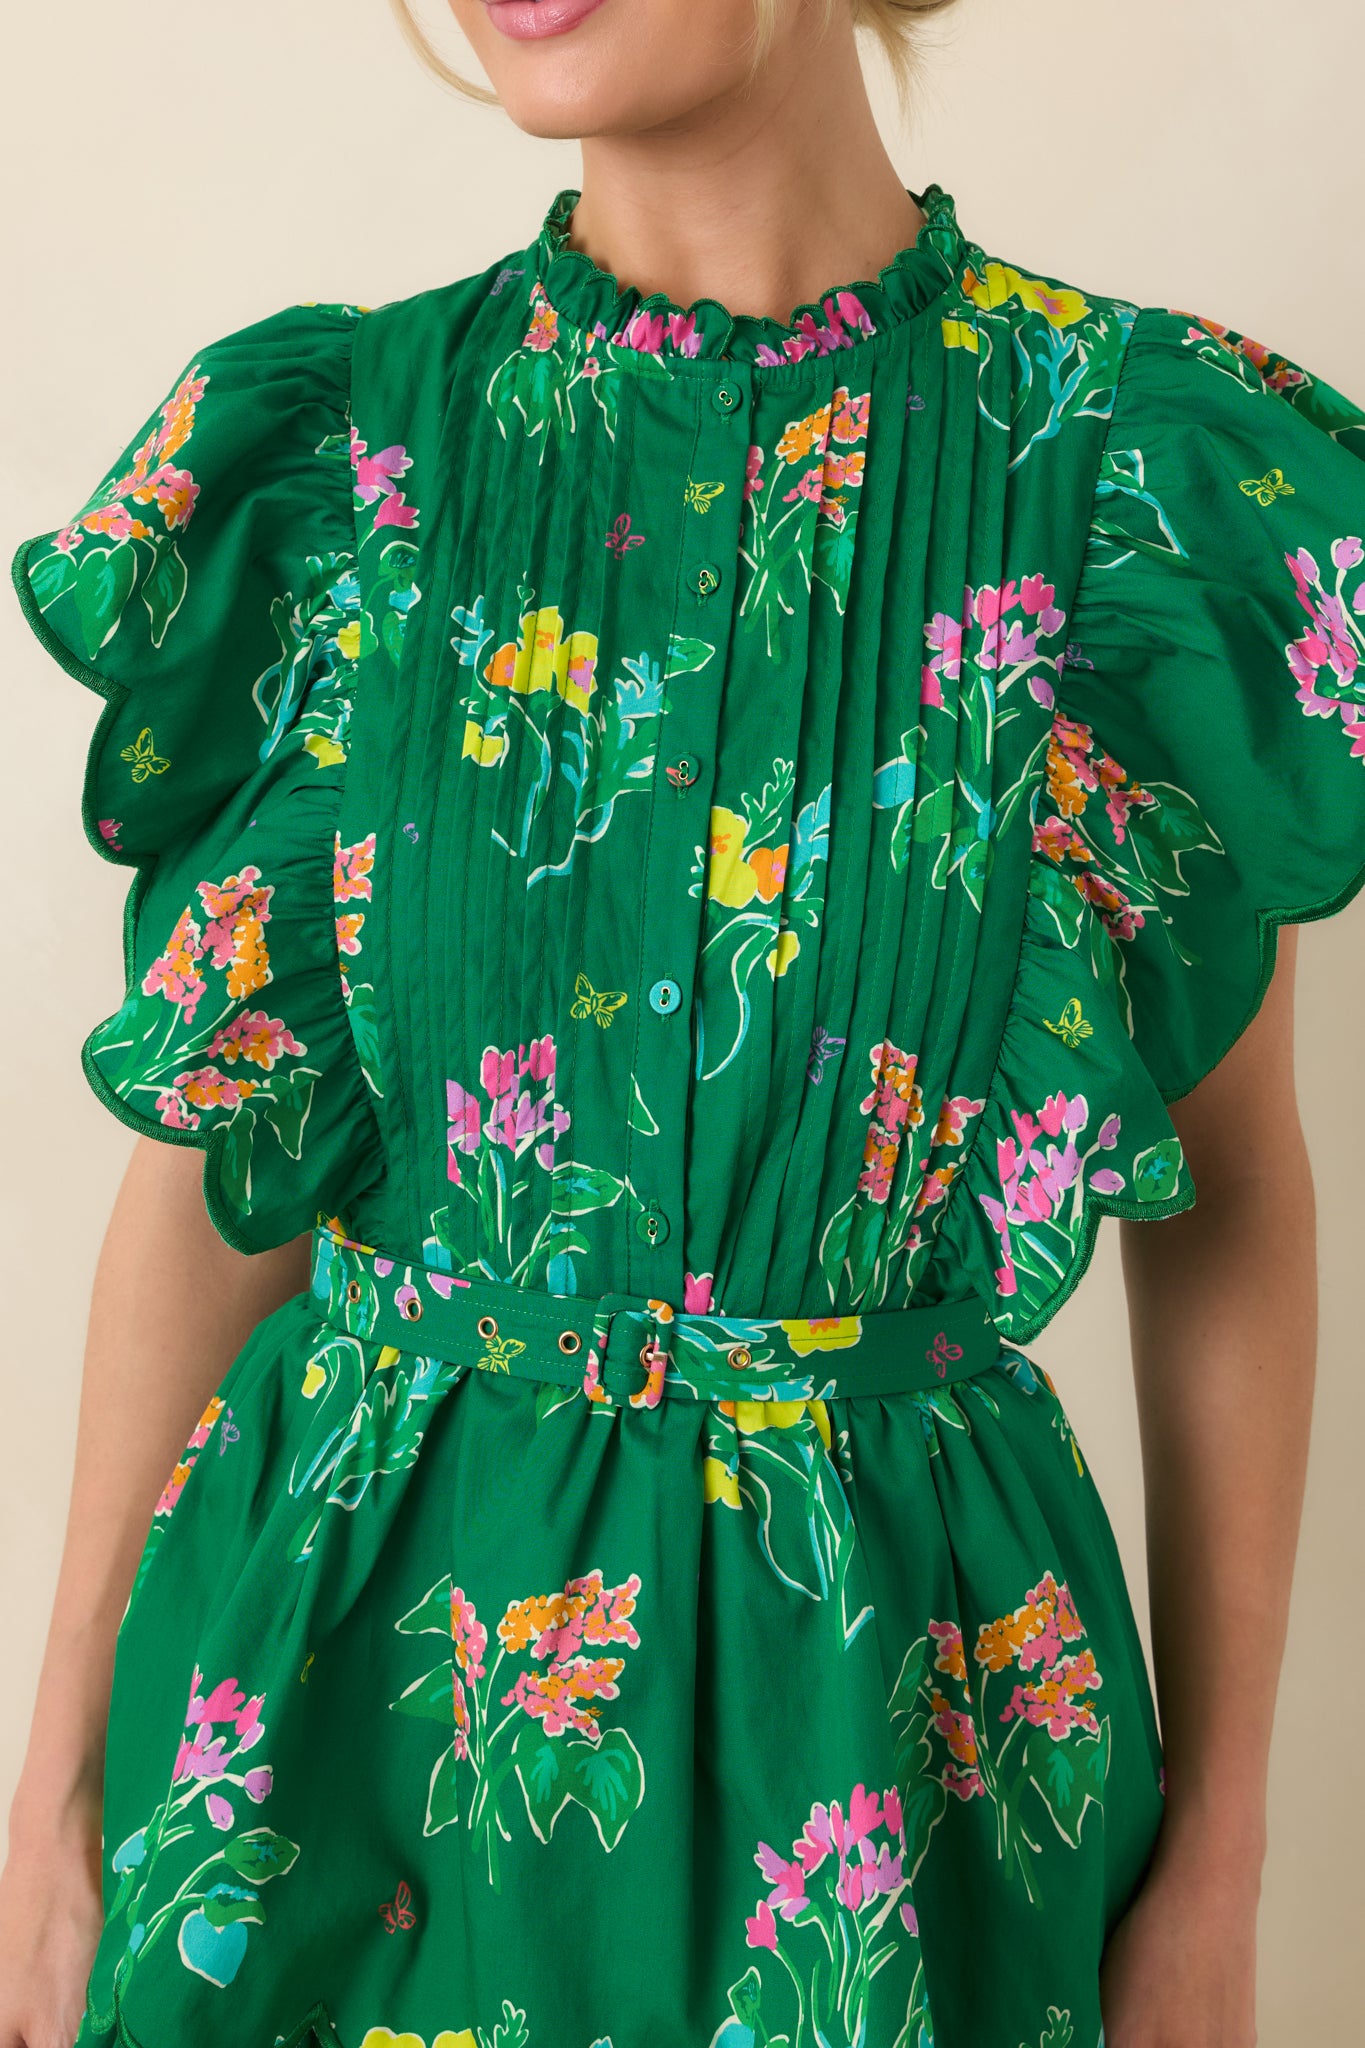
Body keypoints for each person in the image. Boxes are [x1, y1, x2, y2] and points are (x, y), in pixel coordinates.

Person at [3, 2, 1362, 2044]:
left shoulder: (1129, 479)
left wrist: (1218, 1863)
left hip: (893, 1763)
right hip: (334, 1750)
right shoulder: (345, 465)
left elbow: (1230, 1201)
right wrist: (54, 1796)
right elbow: (219, 1178)